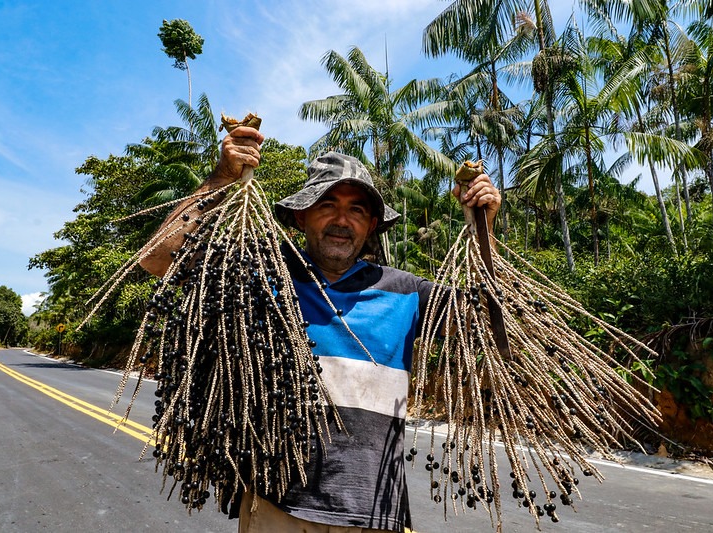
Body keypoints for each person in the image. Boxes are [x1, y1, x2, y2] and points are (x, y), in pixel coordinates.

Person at [140, 126, 501, 533]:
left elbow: (485, 324)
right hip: (277, 505)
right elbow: (157, 259)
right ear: (301, 215)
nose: (342, 220)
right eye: (327, 204)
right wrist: (222, 177)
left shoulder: (406, 292)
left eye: (357, 210)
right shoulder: (261, 277)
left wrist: (482, 226)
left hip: (373, 512)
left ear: (372, 225)